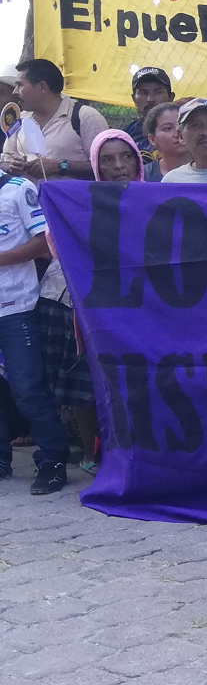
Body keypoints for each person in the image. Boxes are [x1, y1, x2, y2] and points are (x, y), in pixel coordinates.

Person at [39, 130, 141, 475]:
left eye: (126, 157)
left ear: (138, 160)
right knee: (88, 380)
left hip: (147, 305)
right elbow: (58, 245)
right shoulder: (81, 203)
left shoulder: (158, 198)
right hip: (94, 305)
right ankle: (93, 451)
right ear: (96, 166)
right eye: (107, 160)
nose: (118, 166)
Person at [0, 167, 74, 493]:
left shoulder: (18, 188)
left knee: (28, 389)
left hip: (16, 307)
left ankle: (53, 459)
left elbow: (45, 242)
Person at [0, 57, 108, 180]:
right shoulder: (20, 119)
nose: (15, 92)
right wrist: (11, 166)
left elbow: (106, 166)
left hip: (69, 193)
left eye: (20, 85)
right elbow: (4, 161)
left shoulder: (85, 117)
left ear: (42, 87)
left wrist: (61, 166)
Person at [126, 67, 175, 153]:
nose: (150, 99)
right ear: (134, 99)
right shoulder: (127, 136)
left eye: (158, 92)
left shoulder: (184, 132)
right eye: (143, 93)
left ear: (170, 97)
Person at [141, 101, 188, 181]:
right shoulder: (143, 177)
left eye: (182, 125)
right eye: (168, 128)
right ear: (152, 139)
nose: (177, 133)